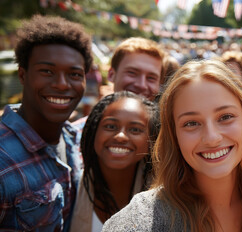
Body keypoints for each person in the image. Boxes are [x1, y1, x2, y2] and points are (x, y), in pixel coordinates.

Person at [102, 60, 242, 231]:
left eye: (225, 117)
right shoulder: (138, 223)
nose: (211, 138)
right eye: (191, 123)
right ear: (174, 136)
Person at [0, 15, 92, 231]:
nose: (62, 84)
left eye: (74, 74)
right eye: (47, 71)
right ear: (23, 75)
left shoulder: (75, 140)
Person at [70, 91, 158, 231]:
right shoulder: (69, 190)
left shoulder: (165, 199)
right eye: (110, 126)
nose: (121, 136)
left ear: (151, 141)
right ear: (93, 132)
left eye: (135, 129)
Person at [72, 37, 165, 142]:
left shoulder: (167, 142)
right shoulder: (74, 137)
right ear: (111, 75)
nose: (142, 85)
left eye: (151, 78)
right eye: (132, 73)